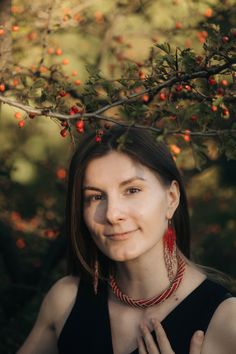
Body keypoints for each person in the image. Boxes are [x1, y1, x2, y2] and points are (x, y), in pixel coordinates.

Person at [17, 125, 236, 354]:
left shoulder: (226, 321)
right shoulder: (65, 301)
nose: (112, 214)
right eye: (96, 197)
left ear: (171, 198)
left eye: (132, 190)